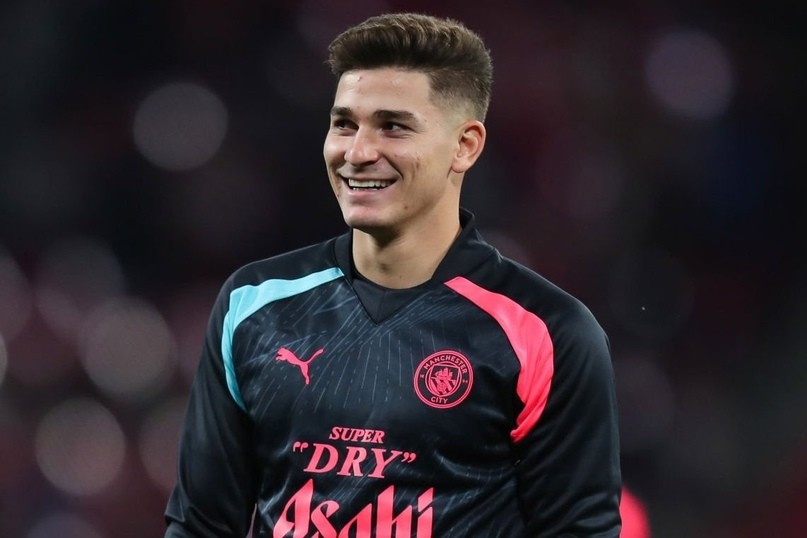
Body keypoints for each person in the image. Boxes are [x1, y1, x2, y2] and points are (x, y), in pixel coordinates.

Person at [165, 12, 622, 537]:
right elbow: (200, 525)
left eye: (393, 126)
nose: (358, 152)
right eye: (344, 124)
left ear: (465, 146)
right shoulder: (255, 304)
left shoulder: (547, 333)